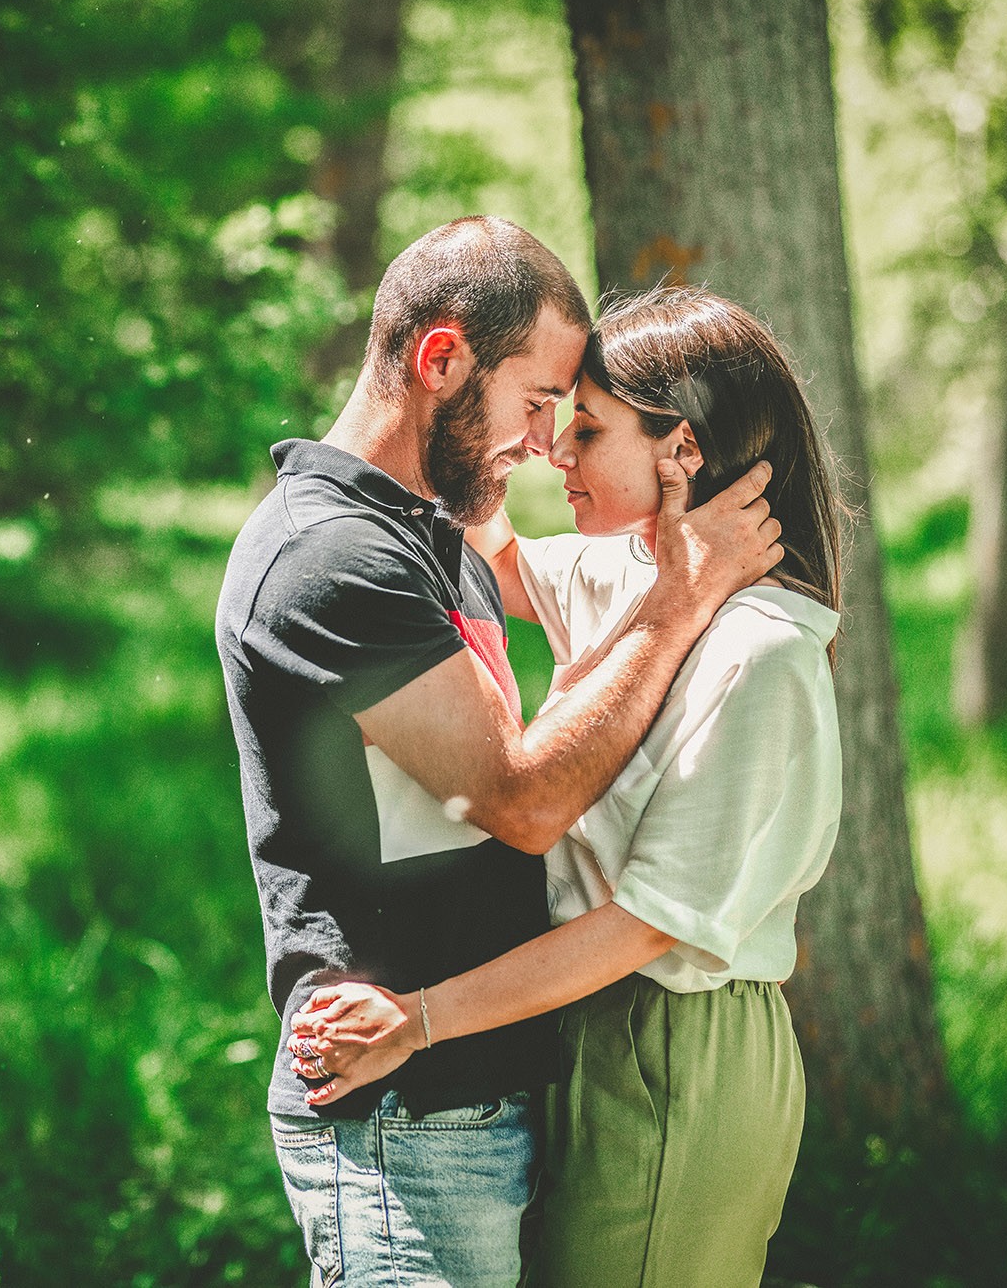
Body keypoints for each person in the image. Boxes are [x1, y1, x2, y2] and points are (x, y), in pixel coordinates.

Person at [216, 222, 783, 1288]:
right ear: (440, 362)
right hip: (400, 1115)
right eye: (533, 405)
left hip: (480, 1087)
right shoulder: (326, 557)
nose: (542, 442)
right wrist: (679, 598)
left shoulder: (438, 534)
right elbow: (517, 801)